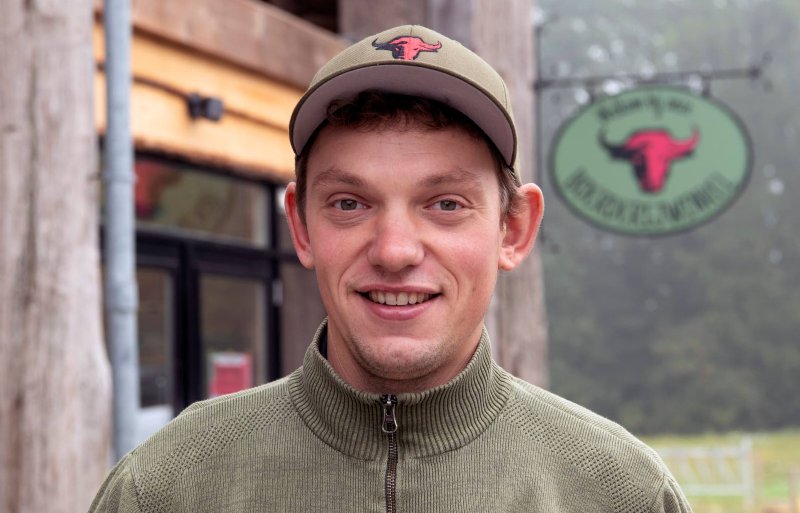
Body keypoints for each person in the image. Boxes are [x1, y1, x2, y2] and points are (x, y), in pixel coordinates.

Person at [89, 25, 692, 513]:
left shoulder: (620, 492)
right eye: (350, 204)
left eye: (446, 205)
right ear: (301, 227)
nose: (395, 250)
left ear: (512, 229)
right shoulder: (166, 487)